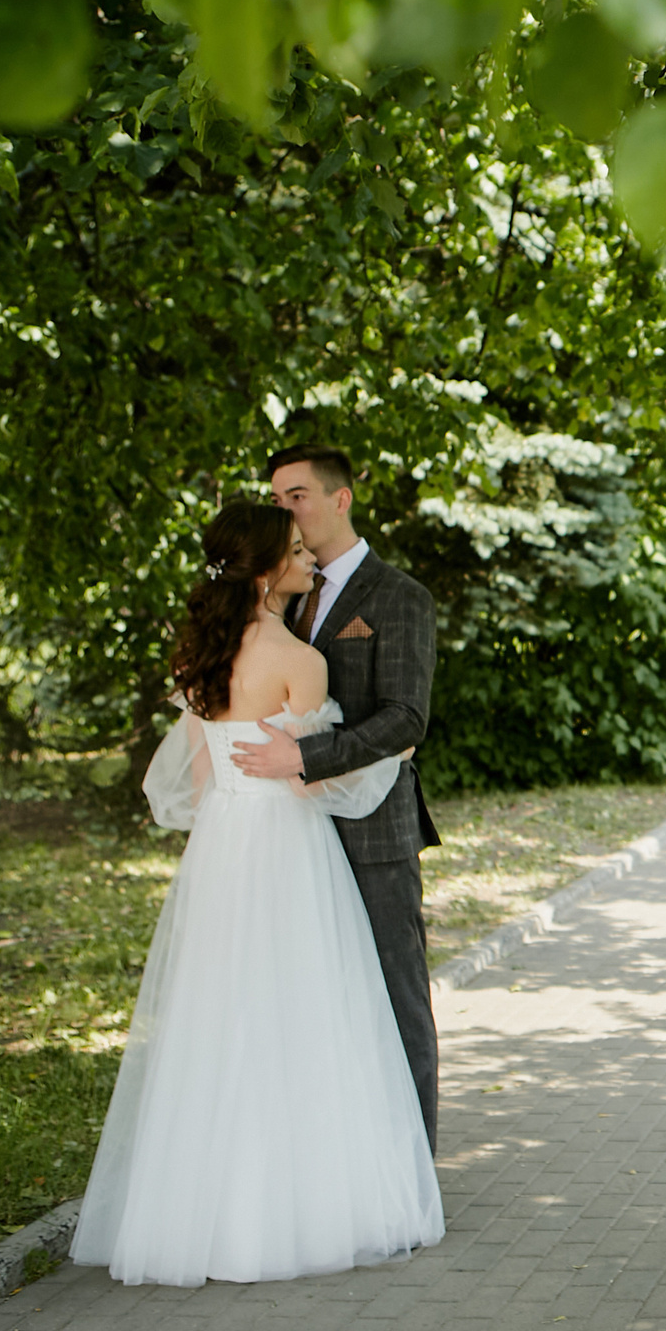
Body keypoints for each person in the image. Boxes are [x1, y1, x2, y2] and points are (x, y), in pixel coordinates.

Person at [72, 502, 442, 1287]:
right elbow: (323, 779)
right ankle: (300, 1204)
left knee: (220, 1019)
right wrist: (349, 759)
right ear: (268, 570)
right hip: (283, 844)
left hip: (221, 850)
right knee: (304, 1013)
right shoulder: (299, 661)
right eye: (298, 553)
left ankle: (206, 1214)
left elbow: (201, 777)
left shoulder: (200, 658)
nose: (309, 560)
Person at [233, 445, 444, 1150]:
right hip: (292, 835)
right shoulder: (278, 598)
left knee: (394, 996)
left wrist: (307, 753)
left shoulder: (399, 596)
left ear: (340, 499)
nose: (283, 508)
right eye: (276, 496)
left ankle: (413, 1167)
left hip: (374, 829)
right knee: (311, 999)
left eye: (296, 494)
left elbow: (405, 715)